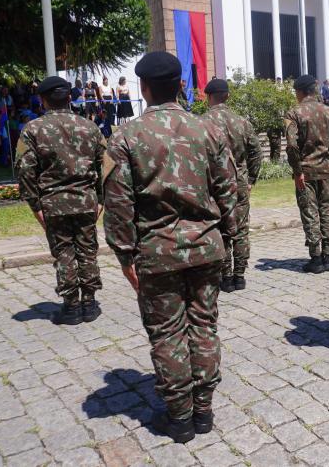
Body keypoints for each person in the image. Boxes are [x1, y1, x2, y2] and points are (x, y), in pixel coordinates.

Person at [103, 51, 238, 443]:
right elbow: (230, 191)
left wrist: (124, 254)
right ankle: (203, 410)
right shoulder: (208, 131)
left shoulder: (125, 137)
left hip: (157, 253)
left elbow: (117, 204)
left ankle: (180, 417)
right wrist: (227, 235)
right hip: (206, 248)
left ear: (143, 88)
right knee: (204, 324)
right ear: (181, 85)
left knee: (167, 333)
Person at [15, 76, 106, 325]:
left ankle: (72, 308)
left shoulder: (33, 130)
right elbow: (106, 166)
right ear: (69, 98)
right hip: (86, 201)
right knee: (88, 251)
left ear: (43, 101)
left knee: (64, 252)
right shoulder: (90, 128)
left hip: (53, 203)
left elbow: (25, 171)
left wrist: (35, 205)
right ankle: (89, 303)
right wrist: (101, 199)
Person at [203, 78, 262, 292]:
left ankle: (225, 275)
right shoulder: (241, 122)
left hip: (215, 185)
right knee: (240, 228)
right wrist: (251, 179)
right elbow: (256, 152)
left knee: (220, 228)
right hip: (239, 182)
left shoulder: (202, 122)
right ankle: (240, 275)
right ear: (227, 96)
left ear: (208, 97)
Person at [285, 75, 329, 274]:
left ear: (300, 91)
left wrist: (297, 171)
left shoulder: (294, 113)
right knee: (326, 212)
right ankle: (327, 256)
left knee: (310, 213)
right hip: (325, 171)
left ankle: (316, 258)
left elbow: (291, 145)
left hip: (306, 172)